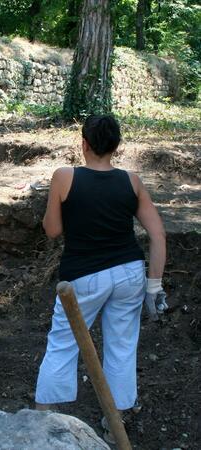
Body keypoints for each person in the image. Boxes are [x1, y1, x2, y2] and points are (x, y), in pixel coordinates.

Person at [34, 115, 167, 442]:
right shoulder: (131, 180)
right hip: (129, 274)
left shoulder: (65, 176)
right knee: (122, 346)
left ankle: (41, 423)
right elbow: (158, 235)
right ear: (116, 146)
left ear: (84, 144)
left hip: (83, 276)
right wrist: (154, 285)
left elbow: (53, 231)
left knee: (64, 343)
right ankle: (114, 423)